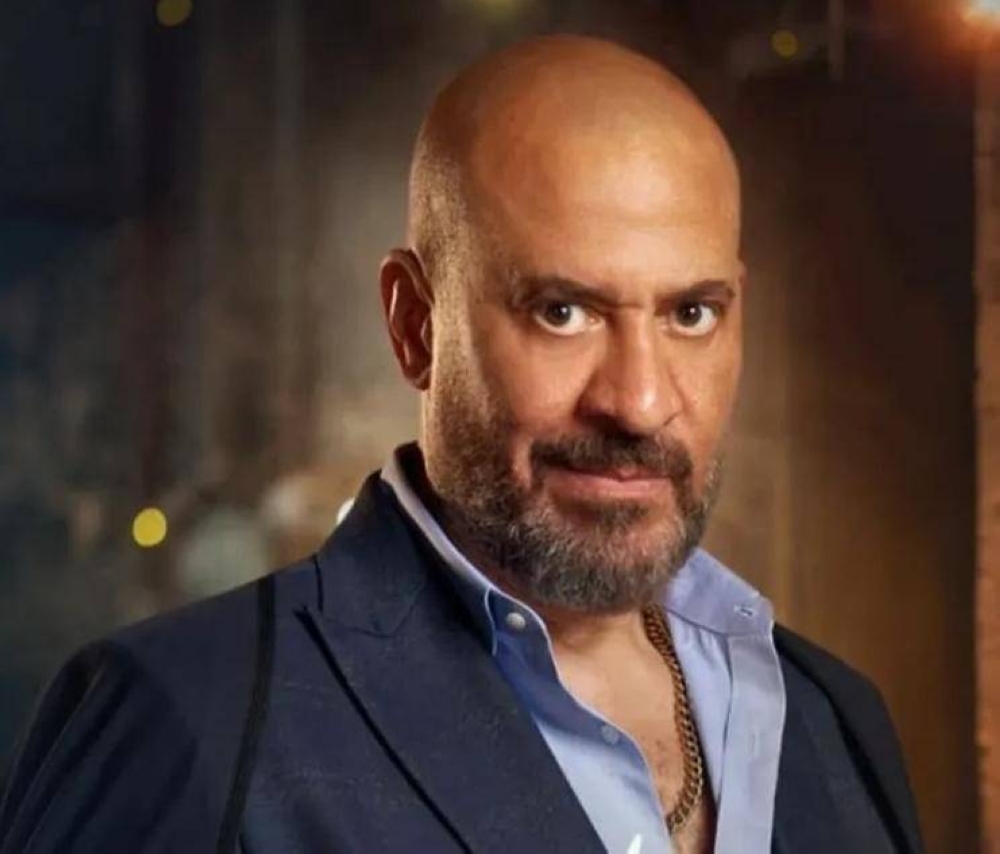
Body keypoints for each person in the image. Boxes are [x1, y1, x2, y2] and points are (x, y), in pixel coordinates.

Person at [0, 35, 924, 854]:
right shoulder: (181, 720)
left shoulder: (832, 721)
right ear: (414, 324)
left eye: (691, 313)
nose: (640, 404)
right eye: (561, 311)